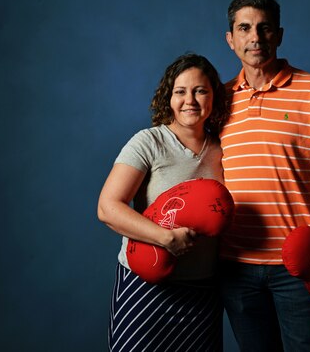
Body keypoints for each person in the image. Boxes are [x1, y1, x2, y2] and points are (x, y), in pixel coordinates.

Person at [219, 0, 310, 351]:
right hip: (235, 268)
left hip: (300, 267)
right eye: (245, 28)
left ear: (279, 35)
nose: (255, 37)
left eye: (265, 28)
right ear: (230, 39)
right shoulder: (217, 101)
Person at [97, 53, 230, 352]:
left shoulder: (224, 150)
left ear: (213, 96)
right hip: (146, 287)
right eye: (180, 92)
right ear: (168, 98)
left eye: (200, 91)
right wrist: (165, 238)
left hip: (202, 294)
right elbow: (107, 207)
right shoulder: (148, 142)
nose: (190, 101)